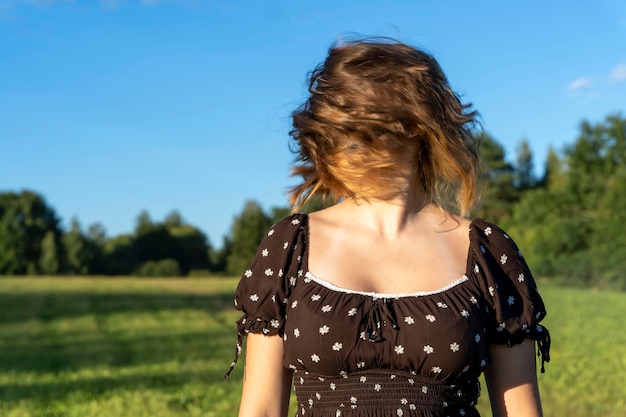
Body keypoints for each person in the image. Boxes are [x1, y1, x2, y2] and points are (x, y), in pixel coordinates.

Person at [225, 38, 550, 417]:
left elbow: (521, 411)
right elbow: (261, 409)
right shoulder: (291, 245)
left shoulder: (486, 250)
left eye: (357, 123)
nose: (341, 141)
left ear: (415, 125)